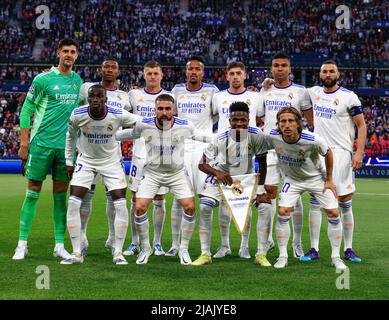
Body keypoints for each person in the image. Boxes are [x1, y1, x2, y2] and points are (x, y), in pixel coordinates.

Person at [115, 94, 212, 265]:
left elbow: (202, 136)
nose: (164, 112)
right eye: (160, 108)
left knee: (190, 207)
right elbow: (128, 133)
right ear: (155, 109)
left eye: (168, 109)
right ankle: (146, 248)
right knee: (139, 207)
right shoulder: (144, 124)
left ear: (174, 110)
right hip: (152, 173)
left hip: (177, 174)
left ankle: (183, 249)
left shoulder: (185, 126)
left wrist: (229, 136)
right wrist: (107, 132)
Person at [13, 38, 82, 260]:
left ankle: (59, 245)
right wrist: (24, 144)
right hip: (41, 144)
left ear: (77, 55)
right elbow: (26, 111)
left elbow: (79, 117)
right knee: (32, 192)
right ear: (58, 53)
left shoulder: (78, 81)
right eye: (65, 51)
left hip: (65, 149)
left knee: (61, 197)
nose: (69, 55)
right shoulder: (42, 79)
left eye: (72, 52)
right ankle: (22, 244)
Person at [61, 84, 140, 265]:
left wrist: (122, 135)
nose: (95, 100)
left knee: (120, 204)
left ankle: (118, 252)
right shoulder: (78, 114)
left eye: (99, 97)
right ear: (88, 98)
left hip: (111, 162)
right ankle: (76, 253)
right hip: (86, 161)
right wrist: (68, 161)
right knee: (74, 201)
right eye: (92, 97)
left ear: (105, 99)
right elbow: (70, 136)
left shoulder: (117, 113)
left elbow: (140, 122)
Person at [192, 101, 272, 266]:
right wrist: (217, 173)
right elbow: (202, 164)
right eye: (235, 120)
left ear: (249, 119)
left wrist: (261, 190)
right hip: (222, 176)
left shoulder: (256, 135)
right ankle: (206, 253)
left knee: (265, 207)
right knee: (205, 206)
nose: (239, 123)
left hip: (245, 178)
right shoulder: (220, 138)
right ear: (229, 120)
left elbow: (263, 164)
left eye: (243, 120)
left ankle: (257, 252)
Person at [302, 60, 367, 263]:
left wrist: (358, 153)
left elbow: (362, 126)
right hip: (318, 153)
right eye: (324, 71)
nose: (328, 74)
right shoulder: (313, 93)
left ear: (338, 74)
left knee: (345, 204)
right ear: (320, 75)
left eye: (331, 71)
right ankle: (313, 249)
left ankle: (348, 249)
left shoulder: (349, 96)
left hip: (341, 154)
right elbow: (297, 97)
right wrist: (267, 82)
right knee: (315, 202)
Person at [268, 107, 347, 270]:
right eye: (283, 121)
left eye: (291, 121)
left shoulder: (313, 139)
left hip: (317, 179)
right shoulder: (272, 136)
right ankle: (283, 256)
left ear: (298, 124)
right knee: (283, 211)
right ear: (278, 124)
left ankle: (336, 256)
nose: (287, 125)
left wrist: (330, 180)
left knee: (333, 212)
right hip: (292, 179)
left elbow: (328, 153)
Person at [258, 53, 313, 259]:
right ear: (271, 69)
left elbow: (310, 121)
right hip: (270, 150)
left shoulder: (301, 91)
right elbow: (258, 118)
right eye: (276, 66)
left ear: (290, 69)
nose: (279, 69)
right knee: (268, 195)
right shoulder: (265, 91)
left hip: (293, 151)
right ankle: (268, 241)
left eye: (283, 66)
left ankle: (296, 244)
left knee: (295, 197)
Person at [77, 58, 131, 256]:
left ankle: (111, 237)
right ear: (100, 70)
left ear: (118, 72)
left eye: (113, 67)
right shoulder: (86, 89)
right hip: (88, 153)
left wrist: (117, 136)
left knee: (113, 196)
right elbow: (77, 115)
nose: (109, 70)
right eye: (106, 67)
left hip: (112, 155)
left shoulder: (125, 97)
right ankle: (81, 237)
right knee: (85, 194)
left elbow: (130, 124)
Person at [211, 62, 264, 259]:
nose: (235, 77)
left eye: (238, 73)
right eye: (231, 73)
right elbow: (210, 118)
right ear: (226, 76)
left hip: (245, 160)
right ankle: (224, 245)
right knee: (224, 207)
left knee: (245, 207)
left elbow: (262, 120)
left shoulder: (256, 97)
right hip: (223, 157)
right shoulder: (218, 97)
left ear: (244, 76)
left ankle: (244, 246)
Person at [167, 56, 219, 257]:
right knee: (180, 198)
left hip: (202, 150)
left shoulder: (212, 90)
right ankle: (175, 244)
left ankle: (204, 248)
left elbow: (217, 114)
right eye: (191, 69)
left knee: (205, 199)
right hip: (181, 149)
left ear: (203, 72)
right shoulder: (177, 91)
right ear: (186, 72)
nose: (194, 72)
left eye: (198, 69)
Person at [123, 60, 170, 257]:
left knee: (159, 199)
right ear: (144, 75)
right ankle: (135, 242)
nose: (152, 76)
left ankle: (157, 243)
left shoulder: (169, 97)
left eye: (155, 73)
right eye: (149, 73)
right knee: (135, 199)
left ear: (161, 75)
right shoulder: (134, 95)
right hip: (139, 155)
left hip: (161, 155)